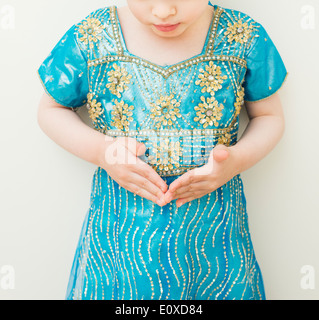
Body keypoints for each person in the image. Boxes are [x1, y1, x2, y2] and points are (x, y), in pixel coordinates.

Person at [37, 0, 287, 300]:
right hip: (120, 238)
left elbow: (269, 116)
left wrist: (236, 160)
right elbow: (51, 109)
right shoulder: (93, 36)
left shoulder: (243, 36)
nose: (163, 11)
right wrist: (103, 152)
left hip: (213, 234)